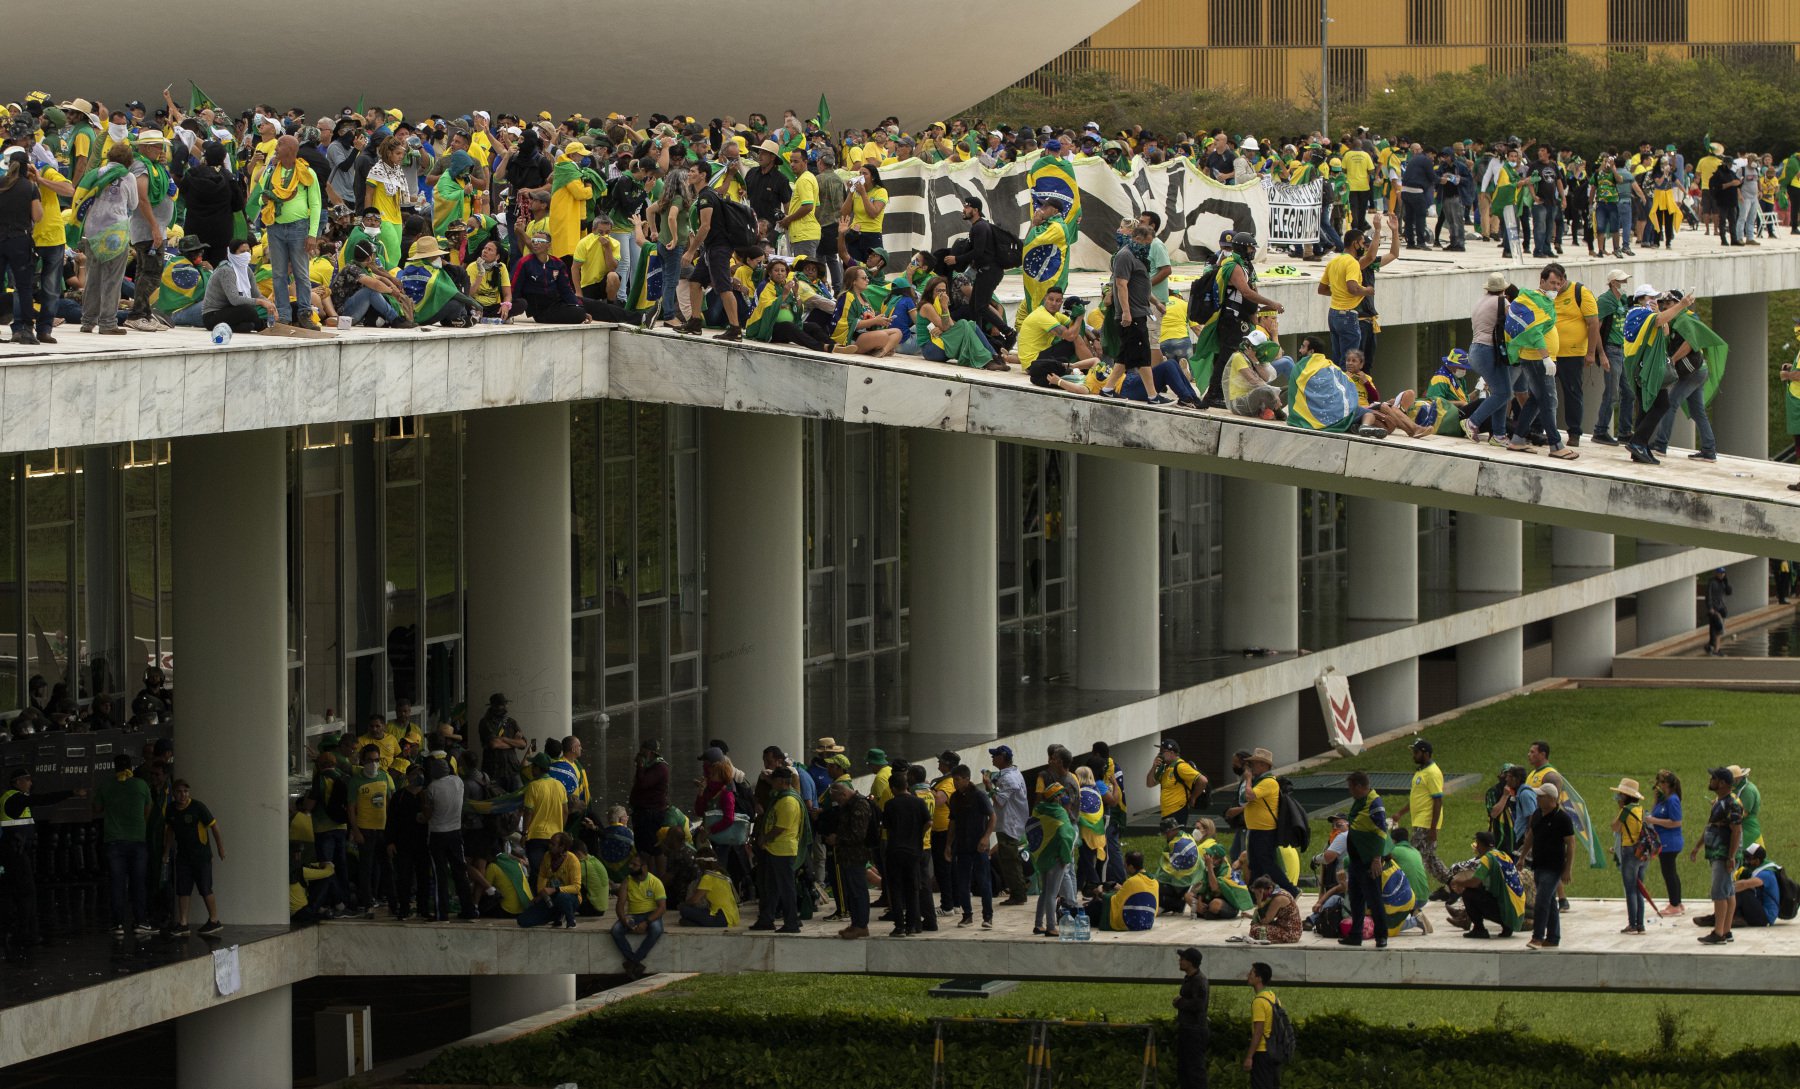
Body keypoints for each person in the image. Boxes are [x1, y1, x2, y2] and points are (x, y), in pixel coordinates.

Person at [246, 134, 322, 327]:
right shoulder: (272, 171)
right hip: (275, 227)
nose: (276, 148)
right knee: (278, 273)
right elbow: (261, 192)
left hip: (299, 228)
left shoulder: (307, 173)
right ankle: (284, 316)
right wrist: (265, 199)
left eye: (280, 144)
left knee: (301, 273)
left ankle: (305, 314)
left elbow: (315, 204)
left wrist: (312, 234)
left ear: (290, 149)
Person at [93, 754, 152, 937]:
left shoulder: (106, 785)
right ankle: (140, 922)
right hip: (137, 841)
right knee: (138, 883)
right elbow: (148, 810)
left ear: (114, 767)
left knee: (117, 884)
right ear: (131, 767)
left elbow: (97, 809)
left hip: (113, 842)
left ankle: (117, 924)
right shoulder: (141, 785)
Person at [165, 779, 226, 937]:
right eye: (179, 791)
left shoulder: (198, 807)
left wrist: (220, 848)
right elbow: (169, 831)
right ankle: (183, 923)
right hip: (183, 856)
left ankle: (214, 920)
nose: (183, 795)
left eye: (185, 791)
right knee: (183, 890)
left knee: (205, 888)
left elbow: (214, 827)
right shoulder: (171, 809)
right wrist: (166, 851)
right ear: (174, 794)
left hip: (201, 856)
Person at [1690, 767, 1744, 945]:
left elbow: (1736, 831)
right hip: (1717, 852)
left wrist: (1731, 856)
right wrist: (1698, 846)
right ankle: (1726, 930)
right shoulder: (1719, 802)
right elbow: (1710, 826)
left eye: (1713, 778)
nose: (1710, 780)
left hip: (1724, 854)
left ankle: (1718, 932)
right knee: (1728, 892)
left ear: (1722, 783)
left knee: (1719, 892)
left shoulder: (1732, 804)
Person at [423, 754, 478, 922]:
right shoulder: (458, 782)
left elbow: (427, 814)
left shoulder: (431, 788)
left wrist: (422, 809)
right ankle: (468, 910)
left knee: (440, 875)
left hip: (437, 835)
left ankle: (442, 914)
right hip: (455, 832)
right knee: (460, 873)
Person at [1340, 770, 1392, 948]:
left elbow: (1382, 830)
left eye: (1351, 787)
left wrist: (1377, 859)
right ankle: (1355, 935)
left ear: (1360, 786)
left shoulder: (1374, 802)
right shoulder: (1358, 802)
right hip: (1356, 860)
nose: (1350, 791)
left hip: (1369, 861)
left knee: (1374, 900)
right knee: (1356, 899)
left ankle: (1381, 936)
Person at [1519, 783, 1574, 949]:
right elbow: (1531, 836)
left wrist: (1567, 869)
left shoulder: (1562, 818)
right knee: (1549, 901)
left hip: (1554, 867)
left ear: (1551, 799)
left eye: (1541, 796)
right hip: (1538, 864)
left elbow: (1571, 844)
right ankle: (1553, 937)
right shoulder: (1537, 814)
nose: (1537, 799)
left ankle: (1537, 937)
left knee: (1542, 900)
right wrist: (1522, 857)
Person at [751, 766, 804, 933]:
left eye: (773, 781)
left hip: (783, 850)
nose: (771, 784)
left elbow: (780, 827)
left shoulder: (788, 801)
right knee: (771, 887)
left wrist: (764, 837)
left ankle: (791, 922)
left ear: (781, 782)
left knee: (786, 888)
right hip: (774, 849)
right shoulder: (780, 798)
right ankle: (766, 918)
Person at [1242, 748, 1299, 897]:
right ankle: (1256, 894)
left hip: (1265, 831)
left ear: (1262, 765)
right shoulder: (1260, 781)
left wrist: (1247, 779)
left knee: (1268, 864)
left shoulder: (1268, 782)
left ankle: (1292, 890)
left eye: (1253, 764)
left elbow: (1250, 795)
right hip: (1256, 829)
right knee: (1255, 864)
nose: (1251, 768)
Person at [1017, 289, 1098, 393]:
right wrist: (1080, 317)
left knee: (1077, 335)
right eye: (1051, 299)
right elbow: (1071, 336)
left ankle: (1092, 367)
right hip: (1034, 363)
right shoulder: (1042, 315)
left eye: (1058, 301)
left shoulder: (1055, 315)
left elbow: (1081, 328)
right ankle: (1094, 372)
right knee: (1075, 338)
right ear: (1045, 299)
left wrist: (1095, 339)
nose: (1054, 303)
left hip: (1040, 357)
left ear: (1061, 302)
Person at [945, 763, 994, 928]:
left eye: (958, 779)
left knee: (983, 881)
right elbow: (952, 822)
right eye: (954, 780)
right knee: (962, 882)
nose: (955, 783)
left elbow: (993, 817)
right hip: (962, 845)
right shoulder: (955, 798)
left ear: (967, 779)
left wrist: (986, 837)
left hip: (979, 845)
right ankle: (967, 914)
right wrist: (948, 845)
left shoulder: (979, 796)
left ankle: (988, 916)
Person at [348, 743, 393, 918]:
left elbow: (388, 803)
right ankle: (367, 903)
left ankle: (392, 902)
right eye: (369, 760)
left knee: (386, 867)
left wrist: (391, 829)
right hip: (365, 830)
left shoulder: (383, 777)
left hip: (382, 829)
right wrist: (356, 831)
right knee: (365, 868)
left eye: (376, 760)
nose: (373, 764)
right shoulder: (356, 781)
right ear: (362, 761)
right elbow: (351, 809)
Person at [1452, 830, 1523, 939]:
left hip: (1507, 912)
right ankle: (1507, 927)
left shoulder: (1487, 858)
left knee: (1468, 893)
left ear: (1480, 844)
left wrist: (1458, 882)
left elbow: (1474, 882)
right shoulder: (1503, 855)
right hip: (1517, 913)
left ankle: (1479, 929)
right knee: (1481, 891)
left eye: (1477, 843)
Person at [1319, 228, 1375, 364]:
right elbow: (1352, 288)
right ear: (1355, 243)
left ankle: (1337, 384)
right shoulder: (1352, 263)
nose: (1363, 247)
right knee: (1349, 362)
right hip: (1347, 316)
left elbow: (1322, 289)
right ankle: (1345, 385)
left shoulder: (1333, 262)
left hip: (1333, 314)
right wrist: (1367, 290)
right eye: (1362, 243)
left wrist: (1339, 291)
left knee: (1338, 359)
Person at [1029, 784, 1076, 937]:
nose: (1063, 798)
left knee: (1044, 892)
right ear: (1056, 798)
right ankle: (1050, 927)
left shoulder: (1037, 809)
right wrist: (1065, 857)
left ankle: (1038, 925)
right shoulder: (1059, 812)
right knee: (1052, 893)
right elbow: (1065, 835)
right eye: (1061, 795)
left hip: (1042, 855)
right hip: (1056, 857)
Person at [985, 745, 1030, 904]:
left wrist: (989, 786)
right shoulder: (1012, 773)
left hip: (1010, 824)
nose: (992, 758)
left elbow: (1000, 801)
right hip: (1010, 823)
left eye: (994, 756)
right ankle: (1017, 892)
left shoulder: (1009, 778)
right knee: (1008, 860)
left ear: (1002, 758)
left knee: (1010, 861)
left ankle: (1018, 894)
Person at [611, 852, 667, 978]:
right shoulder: (627, 881)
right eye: (630, 864)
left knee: (657, 930)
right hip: (633, 915)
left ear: (644, 867)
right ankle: (634, 961)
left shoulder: (655, 882)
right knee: (616, 930)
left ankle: (633, 961)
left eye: (634, 865)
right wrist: (623, 919)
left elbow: (662, 908)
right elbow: (620, 904)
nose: (630, 867)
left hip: (651, 915)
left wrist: (646, 922)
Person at [201, 237, 274, 333]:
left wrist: (270, 305)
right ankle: (264, 326)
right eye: (242, 252)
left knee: (248, 325)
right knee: (248, 310)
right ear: (232, 253)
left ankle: (254, 324)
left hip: (232, 312)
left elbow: (256, 295)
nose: (246, 255)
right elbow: (235, 300)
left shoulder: (247, 270)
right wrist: (261, 302)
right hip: (213, 315)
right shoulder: (226, 270)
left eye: (248, 251)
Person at [518, 832, 580, 929]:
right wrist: (541, 894)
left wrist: (555, 889)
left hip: (569, 898)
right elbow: (542, 876)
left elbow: (576, 887)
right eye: (550, 843)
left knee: (562, 897)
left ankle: (571, 920)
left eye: (553, 844)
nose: (549, 846)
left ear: (562, 847)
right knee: (523, 920)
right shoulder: (547, 856)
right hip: (550, 898)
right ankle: (556, 916)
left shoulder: (572, 860)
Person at [1610, 777, 1649, 935]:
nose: (1618, 797)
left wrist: (1620, 809)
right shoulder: (1640, 809)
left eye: (1620, 795)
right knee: (1639, 888)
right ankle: (1640, 924)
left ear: (1625, 796)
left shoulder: (1626, 811)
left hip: (1629, 852)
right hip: (1642, 852)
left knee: (1631, 889)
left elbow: (1615, 827)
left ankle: (1632, 924)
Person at [1408, 739, 1449, 883]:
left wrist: (1433, 828)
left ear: (1425, 753)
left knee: (1414, 858)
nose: (1414, 755)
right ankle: (1453, 883)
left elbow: (1438, 800)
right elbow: (1417, 797)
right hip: (1419, 821)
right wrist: (1400, 813)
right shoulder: (1421, 772)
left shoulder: (1432, 772)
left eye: (1416, 752)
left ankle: (1414, 888)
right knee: (1430, 859)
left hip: (1426, 823)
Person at [1172, 947, 1210, 1089]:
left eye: (1183, 959)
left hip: (1195, 1030)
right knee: (1184, 1070)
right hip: (1187, 1028)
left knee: (1195, 1070)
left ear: (1190, 962)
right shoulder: (1189, 979)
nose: (1180, 962)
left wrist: (1179, 1002)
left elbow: (1199, 1004)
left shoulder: (1199, 981)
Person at [1147, 739, 1206, 827]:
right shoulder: (1165, 768)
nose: (1160, 754)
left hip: (1178, 811)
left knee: (1177, 839)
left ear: (1171, 752)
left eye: (1162, 751)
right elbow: (1150, 783)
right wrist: (1154, 766)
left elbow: (1203, 780)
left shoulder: (1181, 767)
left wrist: (1193, 797)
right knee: (1170, 840)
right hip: (1166, 812)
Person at [1244, 962, 1283, 1089]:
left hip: (1262, 1053)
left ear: (1259, 978)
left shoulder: (1259, 1001)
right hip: (1274, 1051)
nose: (1248, 975)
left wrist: (1249, 1057)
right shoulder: (1273, 997)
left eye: (1251, 973)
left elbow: (1258, 1031)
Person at [678, 852, 739, 928]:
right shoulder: (721, 874)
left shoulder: (707, 877)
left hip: (721, 918)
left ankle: (696, 923)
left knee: (684, 910)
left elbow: (694, 900)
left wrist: (683, 904)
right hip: (733, 917)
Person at [1730, 843, 1780, 930]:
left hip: (1766, 917)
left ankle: (1727, 917)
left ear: (1757, 860)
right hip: (1758, 909)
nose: (1746, 861)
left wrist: (1723, 890)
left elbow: (1745, 884)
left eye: (1749, 858)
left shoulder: (1766, 873)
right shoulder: (1755, 869)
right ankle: (1731, 917)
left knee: (1744, 892)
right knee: (1740, 891)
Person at [1247, 875, 1301, 943]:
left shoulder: (1278, 899)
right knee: (1256, 927)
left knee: (1256, 930)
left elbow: (1265, 921)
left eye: (1260, 893)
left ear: (1269, 889)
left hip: (1291, 933)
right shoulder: (1275, 893)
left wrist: (1259, 901)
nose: (1259, 895)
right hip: (1283, 925)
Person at [1705, 569, 1733, 656]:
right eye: (1720, 573)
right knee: (1719, 629)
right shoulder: (1712, 582)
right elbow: (1708, 595)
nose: (1722, 575)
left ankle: (1711, 646)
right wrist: (1710, 608)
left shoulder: (1723, 583)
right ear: (1716, 573)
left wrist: (1726, 582)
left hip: (1721, 609)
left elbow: (1729, 592)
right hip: (1714, 609)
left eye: (1723, 573)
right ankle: (1716, 649)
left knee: (1715, 629)